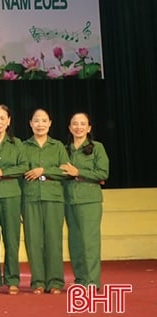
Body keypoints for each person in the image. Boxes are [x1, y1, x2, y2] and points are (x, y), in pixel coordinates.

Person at [22, 108, 68, 294]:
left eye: (44, 121)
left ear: (50, 123)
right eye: (36, 121)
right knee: (33, 241)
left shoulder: (57, 146)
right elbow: (20, 170)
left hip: (53, 197)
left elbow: (65, 170)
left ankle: (55, 281)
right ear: (30, 124)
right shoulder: (23, 146)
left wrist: (44, 170)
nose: (40, 124)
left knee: (53, 239)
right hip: (31, 196)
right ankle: (38, 282)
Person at [61, 112, 110, 287]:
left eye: (83, 124)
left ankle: (92, 281)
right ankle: (80, 279)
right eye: (75, 123)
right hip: (69, 199)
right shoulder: (64, 149)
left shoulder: (97, 147)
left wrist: (78, 172)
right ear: (69, 127)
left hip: (89, 200)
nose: (78, 127)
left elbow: (103, 173)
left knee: (89, 242)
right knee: (74, 242)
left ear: (89, 128)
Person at [0, 104, 27, 295]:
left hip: (11, 195)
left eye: (2, 118)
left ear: (9, 121)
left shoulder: (17, 144)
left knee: (11, 239)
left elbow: (24, 166)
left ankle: (12, 280)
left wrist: (5, 172)